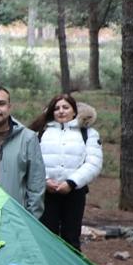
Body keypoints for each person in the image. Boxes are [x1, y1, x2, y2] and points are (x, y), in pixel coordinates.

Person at [31, 93, 102, 251]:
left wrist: (71, 183)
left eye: (65, 107)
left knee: (71, 238)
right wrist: (45, 181)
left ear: (74, 111)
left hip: (74, 193)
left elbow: (94, 163)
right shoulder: (40, 133)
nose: (61, 111)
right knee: (47, 237)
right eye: (56, 108)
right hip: (46, 193)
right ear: (51, 112)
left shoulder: (88, 133)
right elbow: (32, 161)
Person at [0, 87, 45, 218]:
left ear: (9, 107)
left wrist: (31, 219)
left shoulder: (28, 138)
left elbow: (36, 184)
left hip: (16, 217)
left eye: (1, 103)